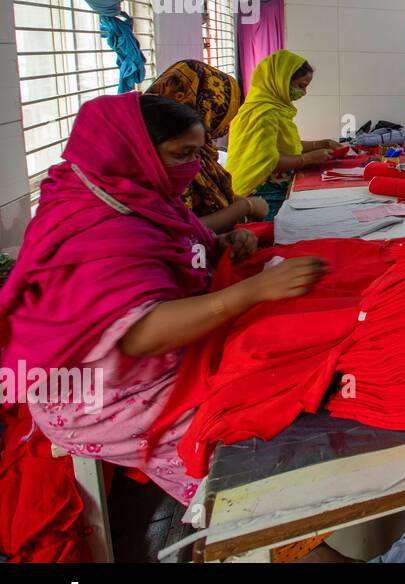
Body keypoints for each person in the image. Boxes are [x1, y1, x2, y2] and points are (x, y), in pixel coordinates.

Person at [0, 93, 326, 504]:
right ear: (130, 149)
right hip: (100, 394)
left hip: (137, 362)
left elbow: (183, 247)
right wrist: (251, 291)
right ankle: (257, 529)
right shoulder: (96, 226)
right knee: (248, 446)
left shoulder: (135, 195)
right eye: (181, 154)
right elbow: (140, 335)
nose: (192, 167)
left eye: (196, 153)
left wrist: (221, 243)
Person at [145, 60, 269, 232]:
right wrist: (245, 207)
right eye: (222, 112)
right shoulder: (167, 154)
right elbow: (178, 228)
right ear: (207, 107)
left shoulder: (197, 149)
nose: (225, 125)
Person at [226, 51, 340, 216]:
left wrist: (323, 144)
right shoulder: (263, 113)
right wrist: (308, 158)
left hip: (271, 184)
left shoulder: (277, 109)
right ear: (282, 81)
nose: (304, 92)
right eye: (301, 86)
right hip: (257, 192)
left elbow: (285, 146)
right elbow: (268, 161)